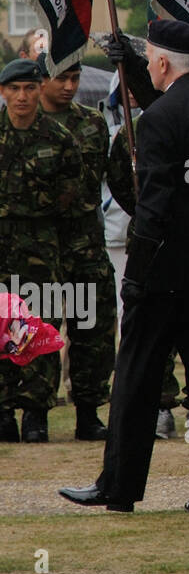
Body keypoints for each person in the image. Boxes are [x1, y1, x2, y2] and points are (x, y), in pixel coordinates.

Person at [59, 20, 189, 512]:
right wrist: (137, 66)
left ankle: (119, 486)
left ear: (161, 63)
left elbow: (155, 206)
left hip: (163, 274)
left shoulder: (157, 121)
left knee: (136, 380)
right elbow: (180, 110)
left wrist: (136, 276)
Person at [0, 58, 82, 442]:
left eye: (29, 89)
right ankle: (2, 410)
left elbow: (69, 192)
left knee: (39, 326)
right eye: (14, 89)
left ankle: (36, 412)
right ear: (3, 92)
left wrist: (24, 206)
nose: (22, 97)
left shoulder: (60, 137)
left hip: (41, 247)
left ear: (38, 91)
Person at [37, 59, 116, 441]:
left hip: (85, 243)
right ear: (41, 80)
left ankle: (88, 410)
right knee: (38, 329)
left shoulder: (93, 122)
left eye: (74, 78)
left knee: (91, 330)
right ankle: (35, 412)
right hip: (39, 247)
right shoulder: (24, 121)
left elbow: (108, 178)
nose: (69, 86)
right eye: (61, 78)